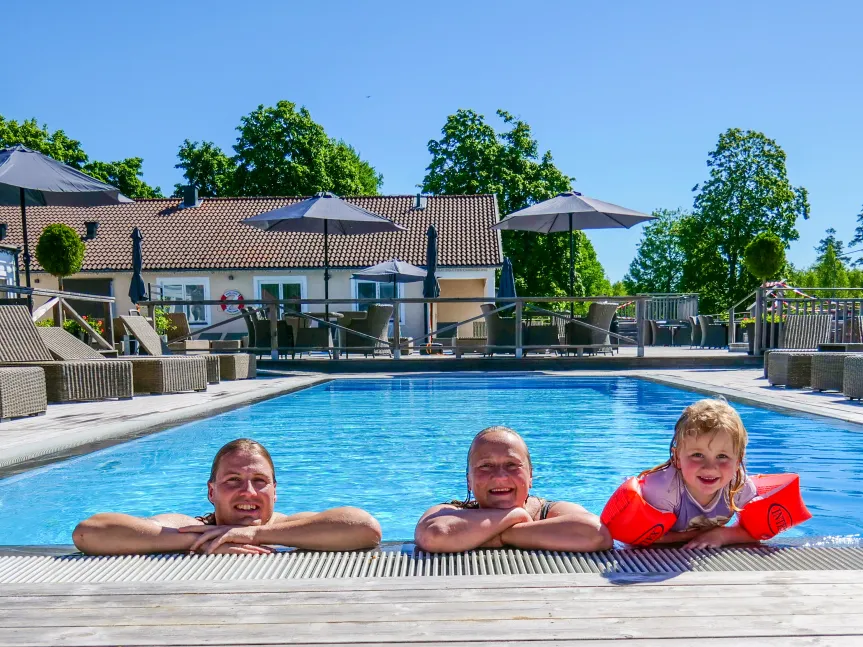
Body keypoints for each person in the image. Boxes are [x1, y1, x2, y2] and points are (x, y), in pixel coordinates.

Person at [73, 438, 382, 555]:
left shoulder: (291, 526)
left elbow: (366, 529)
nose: (248, 491)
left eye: (259, 481)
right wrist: (208, 540)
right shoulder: (187, 526)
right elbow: (90, 532)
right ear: (211, 491)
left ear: (275, 492)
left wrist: (254, 534)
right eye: (233, 480)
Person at [414, 426, 612, 553]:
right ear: (469, 481)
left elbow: (597, 533)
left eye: (512, 465)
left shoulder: (549, 511)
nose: (500, 476)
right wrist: (515, 515)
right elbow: (433, 535)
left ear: (530, 475)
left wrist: (502, 534)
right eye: (485, 466)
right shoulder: (453, 511)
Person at [618, 399, 758, 549]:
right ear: (677, 458)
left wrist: (721, 535)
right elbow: (635, 537)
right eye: (697, 455)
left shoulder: (739, 487)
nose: (710, 468)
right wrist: (696, 535)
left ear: (738, 461)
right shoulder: (663, 490)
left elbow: (758, 531)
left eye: (722, 456)